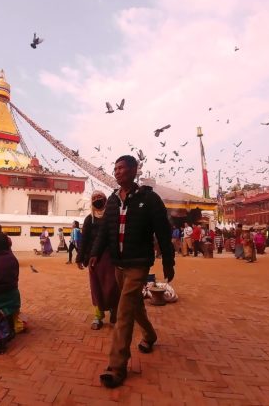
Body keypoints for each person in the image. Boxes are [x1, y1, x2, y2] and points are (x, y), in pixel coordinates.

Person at [88, 155, 175, 389]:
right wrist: (94, 253)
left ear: (134, 170)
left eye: (122, 168)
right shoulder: (114, 201)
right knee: (135, 306)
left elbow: (163, 232)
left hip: (138, 263)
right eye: (115, 169)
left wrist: (169, 261)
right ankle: (150, 336)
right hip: (119, 263)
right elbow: (105, 230)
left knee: (124, 311)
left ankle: (116, 367)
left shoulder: (150, 199)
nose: (117, 173)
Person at [76, 190, 120, 330]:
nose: (97, 200)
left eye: (100, 197)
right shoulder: (90, 219)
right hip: (94, 259)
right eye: (94, 198)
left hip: (111, 258)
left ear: (106, 199)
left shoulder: (113, 217)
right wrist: (80, 257)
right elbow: (84, 240)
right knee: (97, 287)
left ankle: (114, 312)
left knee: (113, 286)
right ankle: (98, 315)